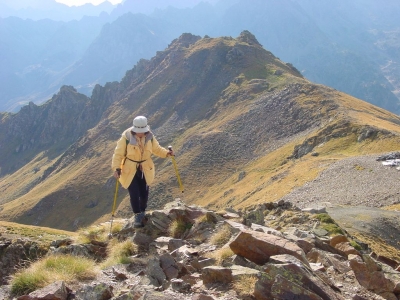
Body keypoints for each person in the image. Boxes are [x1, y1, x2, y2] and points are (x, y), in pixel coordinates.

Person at [112, 116, 174, 228]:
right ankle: (137, 215)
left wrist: (166, 153)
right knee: (134, 193)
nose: (140, 134)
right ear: (134, 130)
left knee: (144, 193)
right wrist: (117, 168)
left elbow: (156, 149)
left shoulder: (150, 136)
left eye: (142, 132)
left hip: (145, 167)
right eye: (138, 132)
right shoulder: (126, 138)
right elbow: (118, 154)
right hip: (129, 168)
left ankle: (143, 211)